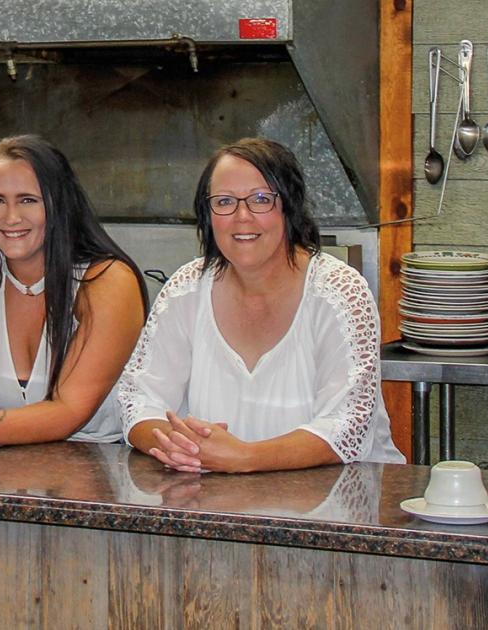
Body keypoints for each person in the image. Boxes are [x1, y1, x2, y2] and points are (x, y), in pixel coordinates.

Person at [119, 138, 404, 473]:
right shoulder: (187, 289)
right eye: (224, 202)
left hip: (336, 506)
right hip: (214, 501)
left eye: (260, 200)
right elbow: (137, 400)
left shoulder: (339, 291)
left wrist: (244, 458)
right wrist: (181, 446)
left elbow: (347, 425)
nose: (242, 217)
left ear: (289, 206)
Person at [0, 135, 148, 455]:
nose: (11, 217)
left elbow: (68, 410)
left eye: (28, 200)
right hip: (2, 462)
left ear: (59, 204)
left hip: (102, 466)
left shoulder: (108, 282)